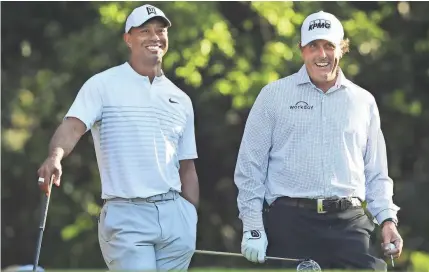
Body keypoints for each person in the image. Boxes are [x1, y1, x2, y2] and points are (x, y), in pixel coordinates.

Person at [234, 10, 403, 270]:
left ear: (342, 49)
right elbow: (249, 169)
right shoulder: (273, 96)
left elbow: (376, 173)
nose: (322, 55)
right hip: (290, 221)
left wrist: (388, 220)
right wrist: (253, 227)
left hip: (349, 221)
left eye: (329, 46)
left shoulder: (363, 101)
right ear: (302, 50)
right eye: (313, 46)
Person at [36, 4, 199, 271]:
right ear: (128, 38)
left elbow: (188, 166)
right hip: (127, 215)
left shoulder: (181, 99)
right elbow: (73, 127)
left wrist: (190, 217)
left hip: (175, 217)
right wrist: (55, 157)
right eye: (145, 30)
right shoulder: (103, 85)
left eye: (160, 31)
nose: (154, 37)